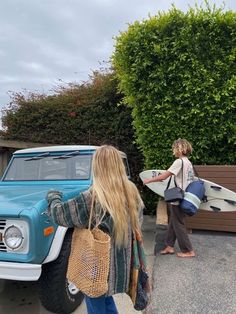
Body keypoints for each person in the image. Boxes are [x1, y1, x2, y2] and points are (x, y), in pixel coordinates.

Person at [46, 145, 144, 314]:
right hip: (120, 264)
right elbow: (138, 223)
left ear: (97, 166)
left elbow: (60, 215)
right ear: (119, 166)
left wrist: (53, 197)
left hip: (97, 265)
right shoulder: (132, 191)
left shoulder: (92, 196)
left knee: (95, 301)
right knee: (105, 298)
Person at [143, 138, 195, 258]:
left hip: (177, 197)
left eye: (174, 148)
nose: (174, 151)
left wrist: (149, 180)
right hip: (185, 196)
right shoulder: (188, 162)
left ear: (179, 148)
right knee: (174, 221)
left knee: (179, 224)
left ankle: (188, 250)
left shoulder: (179, 162)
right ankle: (169, 246)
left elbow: (164, 176)